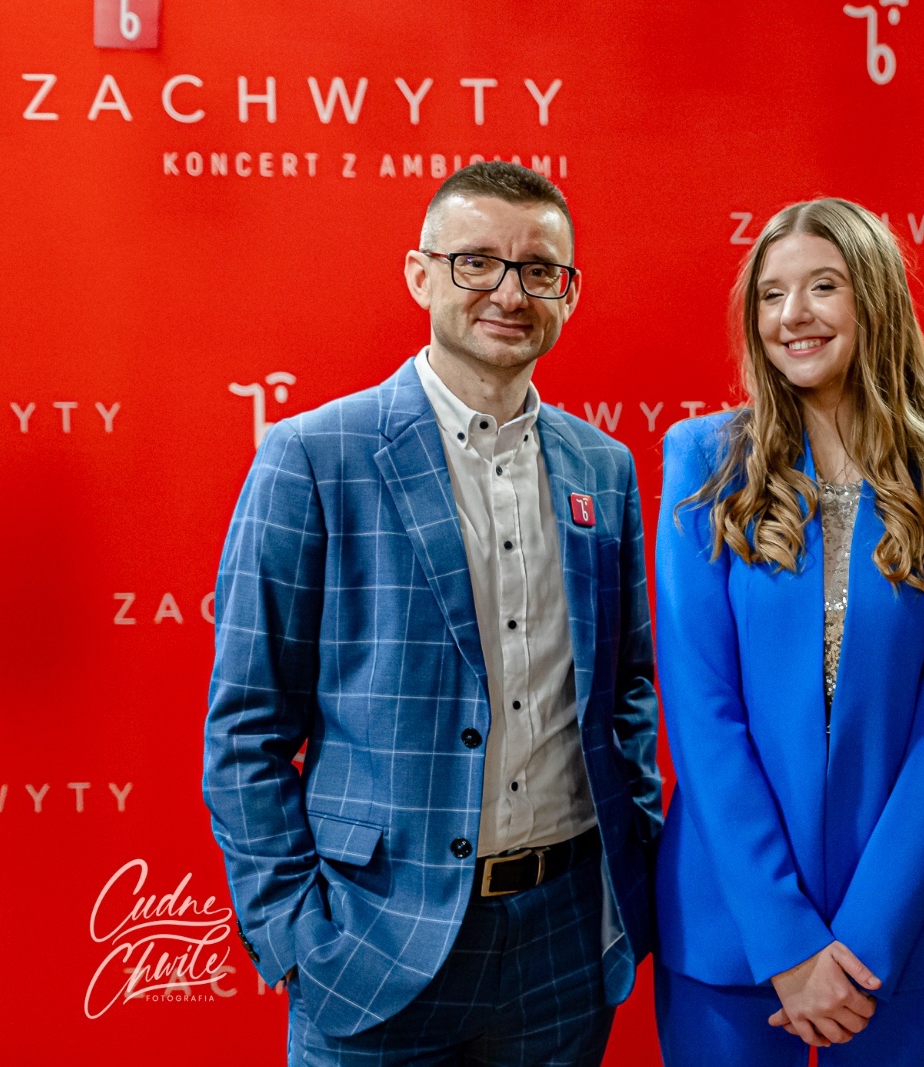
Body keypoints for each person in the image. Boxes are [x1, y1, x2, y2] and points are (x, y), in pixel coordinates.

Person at [202, 162, 661, 1066]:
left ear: (568, 293)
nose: (510, 293)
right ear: (420, 275)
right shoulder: (313, 456)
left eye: (539, 270)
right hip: (370, 943)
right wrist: (294, 933)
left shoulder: (602, 467)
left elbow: (628, 689)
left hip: (565, 944)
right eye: (476, 262)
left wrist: (634, 840)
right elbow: (247, 726)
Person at [652, 198, 924, 1066]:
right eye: (771, 294)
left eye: (823, 286)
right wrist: (786, 940)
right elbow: (702, 714)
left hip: (906, 930)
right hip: (733, 926)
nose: (793, 315)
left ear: (874, 298)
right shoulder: (705, 460)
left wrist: (865, 940)